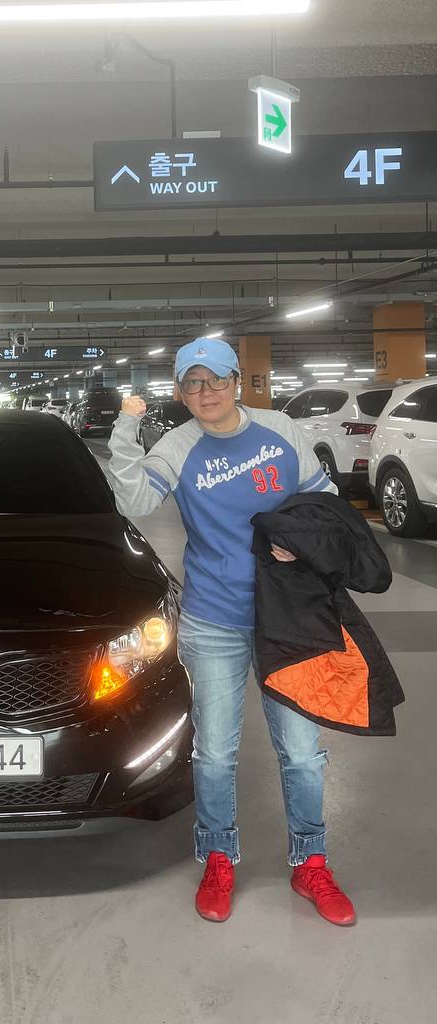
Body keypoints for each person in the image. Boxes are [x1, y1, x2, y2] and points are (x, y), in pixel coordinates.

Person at [107, 337, 357, 926]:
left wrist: (301, 542)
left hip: (287, 617)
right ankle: (218, 857)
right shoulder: (178, 446)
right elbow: (136, 500)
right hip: (213, 619)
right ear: (180, 391)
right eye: (194, 383)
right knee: (215, 754)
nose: (207, 392)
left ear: (236, 382)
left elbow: (325, 502)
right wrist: (125, 428)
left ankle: (311, 862)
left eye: (217, 380)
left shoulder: (279, 431)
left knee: (303, 754)